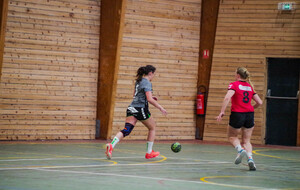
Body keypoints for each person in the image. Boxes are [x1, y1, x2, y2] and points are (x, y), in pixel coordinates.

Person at [105, 65, 167, 160]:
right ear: (150, 73)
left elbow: (135, 95)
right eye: (154, 74)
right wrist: (160, 107)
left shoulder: (138, 81)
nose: (154, 76)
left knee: (127, 130)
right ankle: (149, 152)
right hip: (140, 108)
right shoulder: (147, 83)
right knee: (152, 128)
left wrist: (149, 97)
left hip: (131, 107)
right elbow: (149, 99)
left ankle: (111, 145)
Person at [216, 67, 263, 171]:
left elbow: (227, 97)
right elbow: (260, 102)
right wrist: (250, 108)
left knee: (232, 137)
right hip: (249, 114)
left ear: (238, 75)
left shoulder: (234, 85)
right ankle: (250, 159)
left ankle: (240, 151)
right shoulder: (250, 87)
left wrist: (222, 112)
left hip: (238, 114)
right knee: (247, 140)